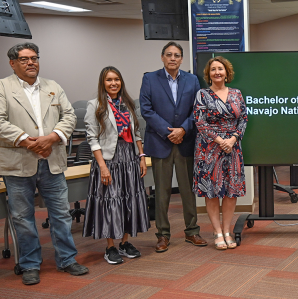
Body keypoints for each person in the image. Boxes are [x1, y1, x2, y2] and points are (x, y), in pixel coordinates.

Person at [0, 42, 88, 285]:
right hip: (19, 162)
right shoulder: (1, 88)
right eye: (24, 59)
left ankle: (67, 259)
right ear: (12, 63)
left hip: (52, 161)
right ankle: (30, 264)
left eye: (34, 58)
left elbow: (69, 115)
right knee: (23, 217)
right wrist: (28, 142)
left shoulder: (52, 86)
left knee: (61, 214)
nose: (31, 63)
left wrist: (52, 137)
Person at [140, 42, 206, 252]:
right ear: (162, 57)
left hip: (185, 141)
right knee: (162, 191)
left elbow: (197, 110)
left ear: (181, 59)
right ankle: (163, 234)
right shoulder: (150, 78)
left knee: (188, 190)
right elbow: (146, 110)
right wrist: (169, 132)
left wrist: (183, 130)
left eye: (177, 55)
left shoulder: (192, 80)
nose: (172, 58)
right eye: (168, 55)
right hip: (161, 142)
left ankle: (192, 231)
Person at [82, 66, 149, 264]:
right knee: (111, 201)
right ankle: (110, 246)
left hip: (129, 157)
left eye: (117, 79)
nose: (113, 83)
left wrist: (142, 157)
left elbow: (136, 133)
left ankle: (124, 242)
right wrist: (102, 166)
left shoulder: (126, 104)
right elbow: (92, 138)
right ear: (103, 83)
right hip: (109, 159)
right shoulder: (95, 105)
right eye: (109, 80)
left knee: (129, 199)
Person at [193, 56, 247, 250]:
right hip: (209, 148)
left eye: (220, 69)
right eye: (213, 69)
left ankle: (227, 230)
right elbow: (200, 122)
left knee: (231, 191)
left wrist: (232, 139)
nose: (217, 72)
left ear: (226, 72)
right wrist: (219, 141)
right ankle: (216, 232)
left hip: (232, 148)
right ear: (208, 74)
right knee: (212, 191)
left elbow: (244, 119)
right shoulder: (202, 94)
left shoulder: (236, 94)